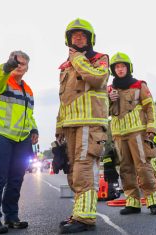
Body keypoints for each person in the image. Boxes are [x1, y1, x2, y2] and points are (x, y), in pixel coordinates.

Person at [55, 18, 109, 234]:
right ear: (68, 39)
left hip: (90, 122)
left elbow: (97, 79)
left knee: (84, 169)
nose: (78, 37)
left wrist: (77, 59)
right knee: (73, 172)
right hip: (70, 125)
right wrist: (59, 128)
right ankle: (79, 212)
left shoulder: (99, 59)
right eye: (74, 35)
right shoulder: (65, 67)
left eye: (82, 35)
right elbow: (64, 99)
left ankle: (85, 219)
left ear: (90, 39)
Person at [0, 51, 38, 234]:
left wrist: (34, 129)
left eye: (22, 64)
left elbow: (28, 115)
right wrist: (7, 66)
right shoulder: (1, 80)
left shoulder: (29, 90)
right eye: (15, 63)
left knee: (16, 179)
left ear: (27, 68)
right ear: (9, 62)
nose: (19, 66)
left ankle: (11, 217)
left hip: (21, 139)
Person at [107, 52, 156, 215]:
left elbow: (150, 107)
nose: (120, 69)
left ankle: (153, 201)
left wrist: (151, 129)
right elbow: (103, 112)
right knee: (125, 169)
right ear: (113, 70)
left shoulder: (139, 85)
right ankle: (133, 203)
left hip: (138, 133)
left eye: (123, 66)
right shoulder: (109, 89)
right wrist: (109, 99)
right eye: (117, 67)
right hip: (118, 134)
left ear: (128, 68)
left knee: (143, 167)